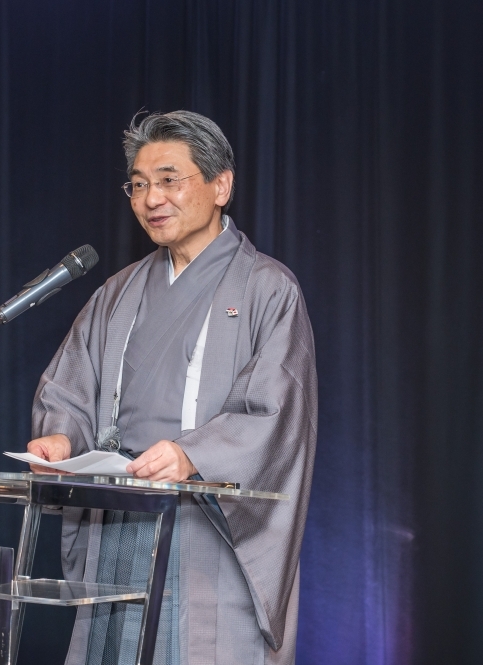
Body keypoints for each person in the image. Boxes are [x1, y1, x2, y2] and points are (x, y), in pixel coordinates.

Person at [27, 110, 317, 665]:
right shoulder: (119, 292)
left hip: (205, 524)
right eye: (138, 185)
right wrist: (61, 438)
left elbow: (276, 414)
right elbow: (71, 386)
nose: (151, 199)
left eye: (168, 180)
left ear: (220, 186)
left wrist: (192, 455)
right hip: (119, 510)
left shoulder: (267, 289)